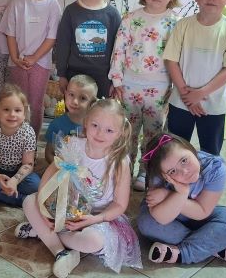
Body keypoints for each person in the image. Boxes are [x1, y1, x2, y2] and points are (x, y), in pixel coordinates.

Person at [16, 99, 142, 278]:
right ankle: (60, 251)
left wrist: (94, 219)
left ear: (120, 133)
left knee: (93, 242)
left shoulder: (119, 161)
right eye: (95, 125)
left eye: (109, 130)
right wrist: (43, 208)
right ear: (86, 122)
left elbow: (120, 204)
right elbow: (50, 174)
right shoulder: (73, 144)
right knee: (29, 201)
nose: (100, 133)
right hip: (67, 206)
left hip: (99, 217)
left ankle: (43, 233)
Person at [108, 0, 180, 190]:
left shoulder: (175, 22)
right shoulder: (131, 19)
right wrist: (117, 81)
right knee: (127, 131)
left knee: (153, 133)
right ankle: (124, 169)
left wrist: (176, 85)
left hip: (159, 87)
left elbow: (178, 57)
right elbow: (119, 50)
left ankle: (145, 170)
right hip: (129, 85)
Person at [163, 0, 226, 155]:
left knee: (211, 152)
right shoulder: (183, 25)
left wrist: (200, 93)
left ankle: (208, 176)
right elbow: (171, 61)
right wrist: (187, 96)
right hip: (181, 101)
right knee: (175, 149)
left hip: (213, 105)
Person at [136, 133, 226, 266]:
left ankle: (182, 253)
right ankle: (212, 245)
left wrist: (171, 194)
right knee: (147, 224)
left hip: (199, 215)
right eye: (172, 172)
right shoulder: (158, 174)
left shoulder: (215, 168)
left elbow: (202, 211)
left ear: (191, 149)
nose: (184, 171)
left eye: (184, 160)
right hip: (170, 218)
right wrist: (181, 194)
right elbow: (162, 218)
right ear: (164, 175)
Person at [0, 0, 62, 139]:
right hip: (17, 62)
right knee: (17, 102)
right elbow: (10, 33)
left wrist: (34, 58)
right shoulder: (17, 2)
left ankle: (30, 142)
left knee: (35, 103)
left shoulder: (52, 5)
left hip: (40, 63)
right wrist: (15, 57)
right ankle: (15, 139)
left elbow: (51, 38)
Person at [55, 0, 121, 99]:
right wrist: (61, 74)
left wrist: (115, 80)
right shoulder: (71, 11)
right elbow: (62, 44)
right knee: (75, 111)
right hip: (75, 75)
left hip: (103, 77)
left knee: (99, 112)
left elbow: (118, 50)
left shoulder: (113, 15)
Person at [0, 84, 40, 206]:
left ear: (24, 114)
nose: (12, 114)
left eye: (17, 110)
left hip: (18, 172)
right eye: (6, 110)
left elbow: (28, 164)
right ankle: (22, 200)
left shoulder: (28, 132)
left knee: (36, 184)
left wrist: (14, 181)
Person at [44, 74, 97, 164]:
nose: (75, 101)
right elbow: (49, 154)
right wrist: (64, 167)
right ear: (65, 94)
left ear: (92, 103)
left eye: (83, 98)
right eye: (71, 95)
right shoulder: (56, 124)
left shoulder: (95, 126)